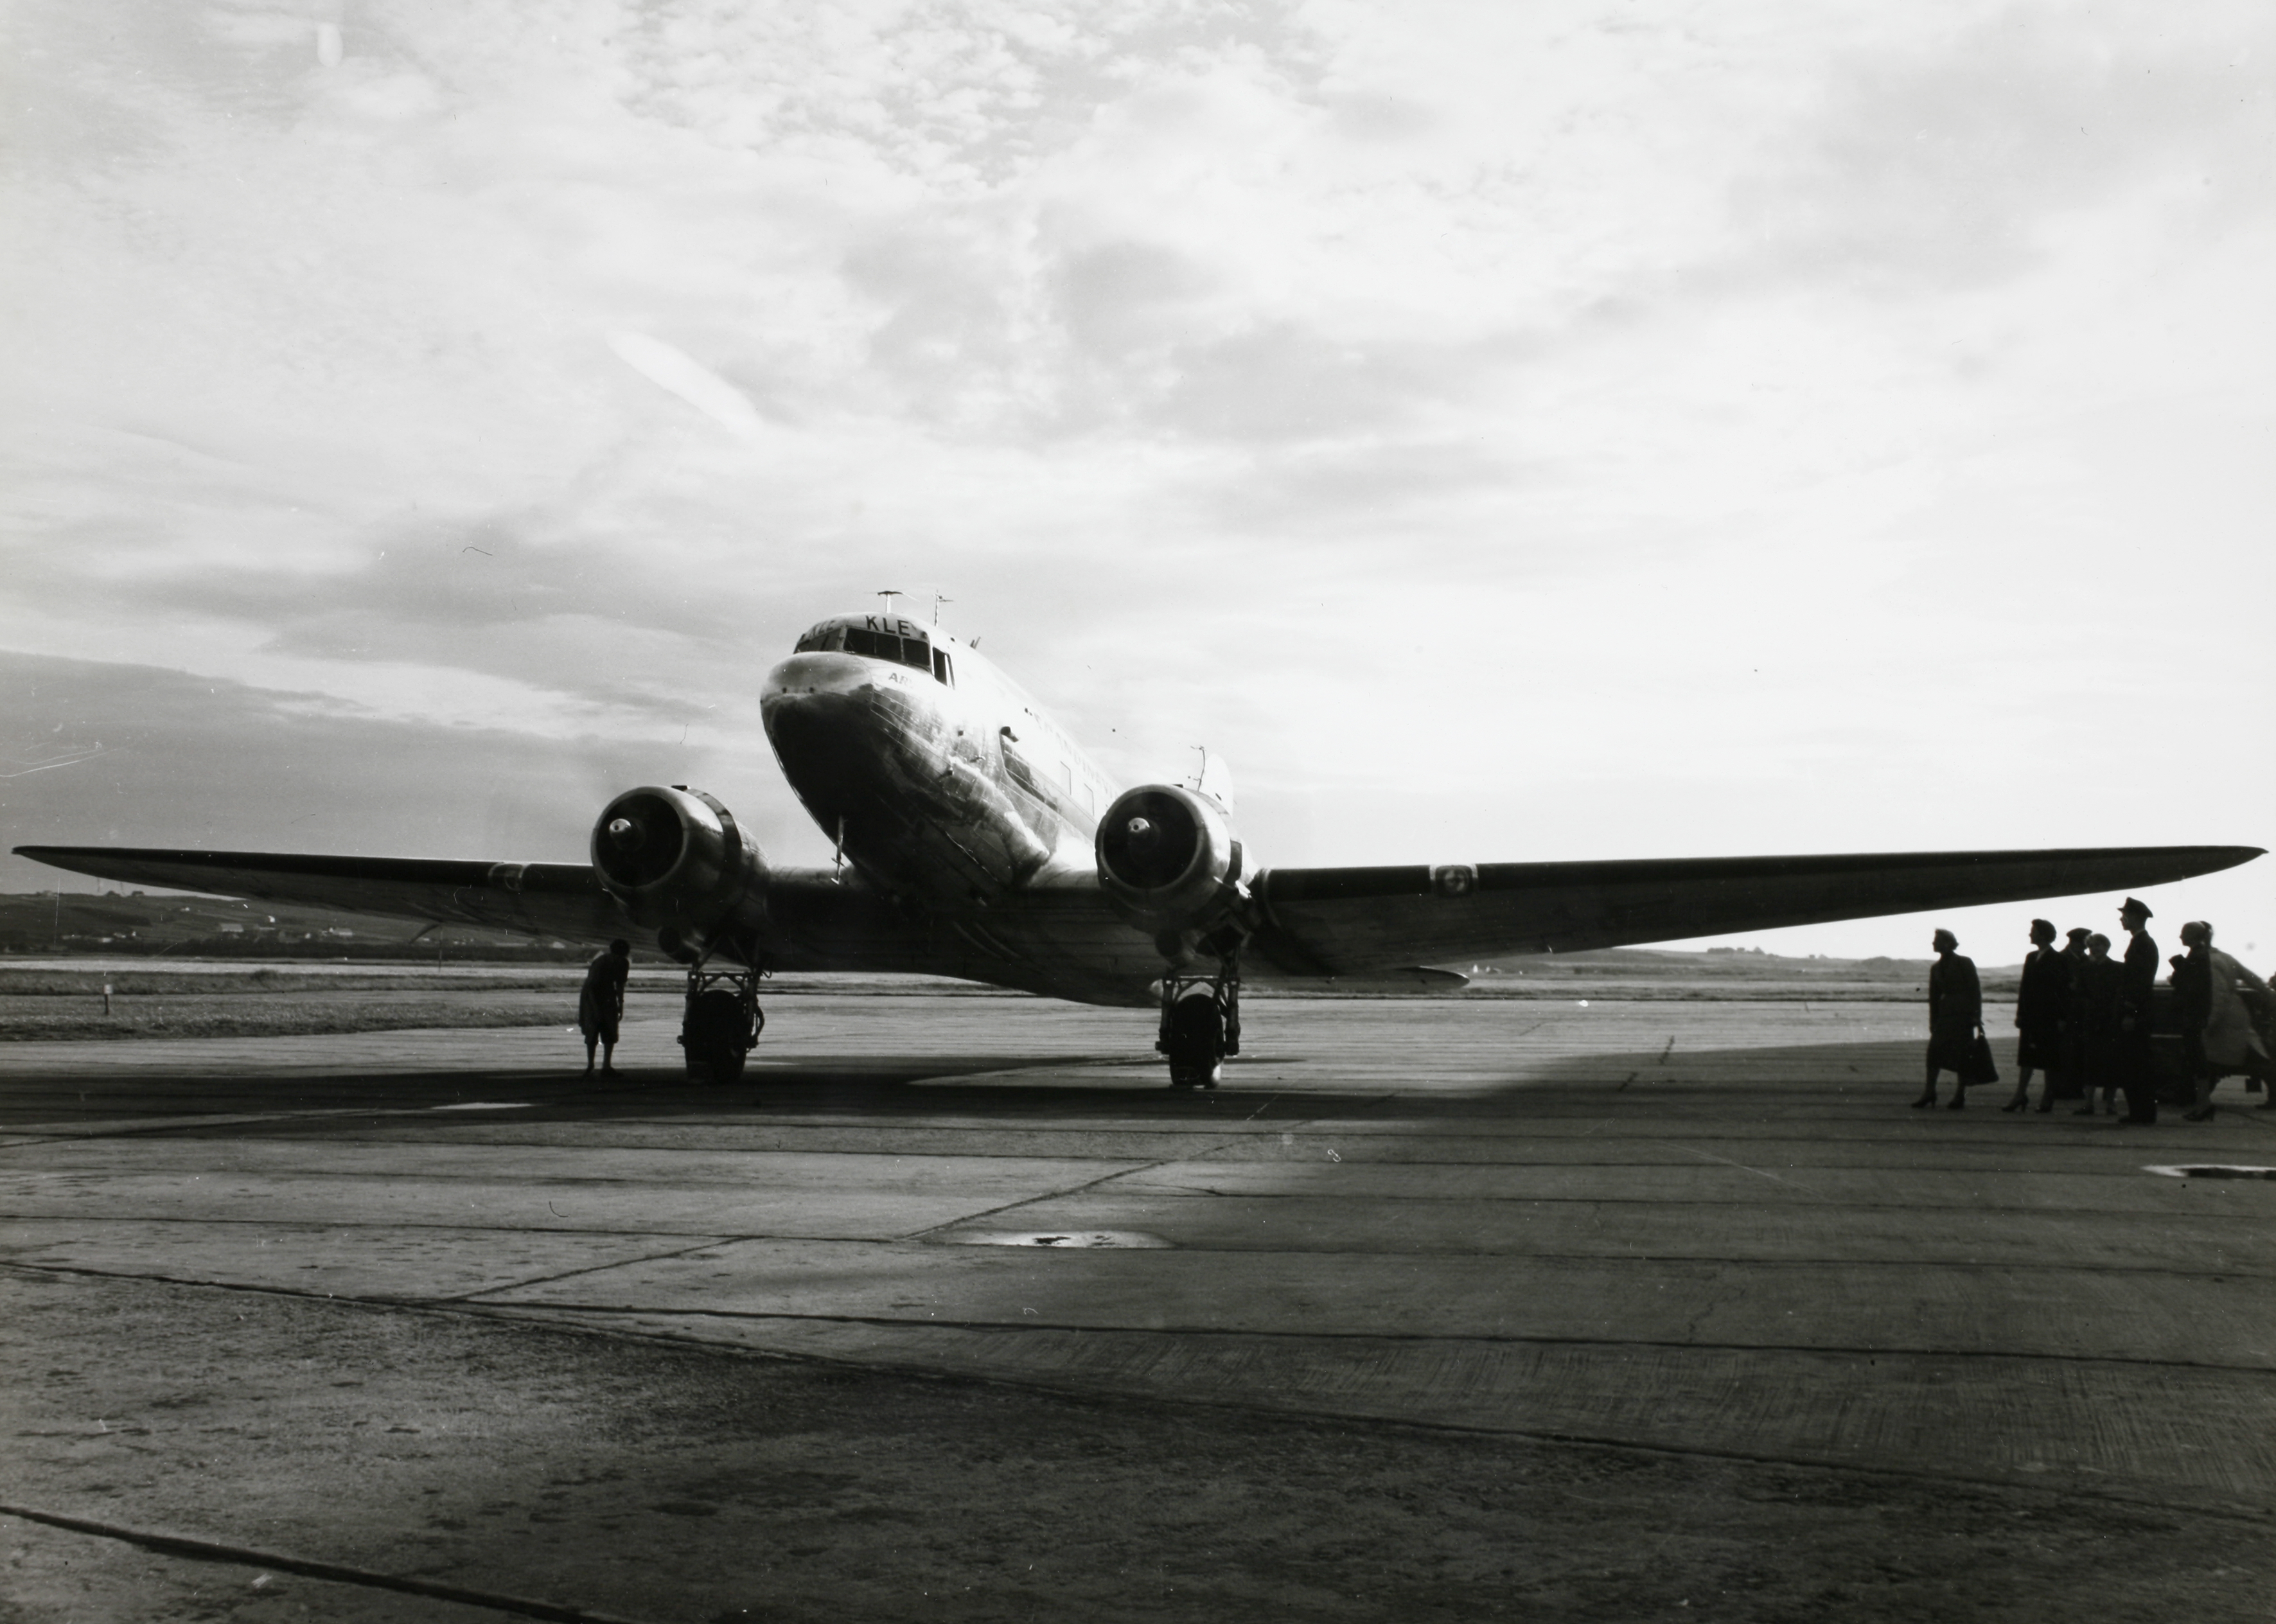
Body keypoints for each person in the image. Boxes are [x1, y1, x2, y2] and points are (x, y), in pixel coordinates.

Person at [2179, 921, 2273, 1121]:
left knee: (2208, 1062)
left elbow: (2218, 995)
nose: (2180, 937)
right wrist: (2270, 996)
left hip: (2221, 1019)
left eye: (2184, 933)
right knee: (2254, 1058)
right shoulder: (2224, 958)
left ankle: (2202, 1104)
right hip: (2236, 1015)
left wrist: (2210, 1023)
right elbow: (2253, 979)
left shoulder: (2209, 962)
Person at [2004, 919, 2070, 1113]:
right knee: (2026, 1057)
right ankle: (2020, 1095)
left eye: (2033, 931)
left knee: (2049, 1059)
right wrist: (2020, 1014)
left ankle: (2047, 1096)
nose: (2030, 934)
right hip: (2031, 1016)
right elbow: (2025, 988)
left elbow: (2063, 991)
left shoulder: (2059, 960)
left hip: (2049, 1017)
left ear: (2043, 934)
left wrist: (2062, 1018)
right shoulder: (2031, 957)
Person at [1914, 928, 1981, 1109]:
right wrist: (1932, 1021)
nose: (1933, 943)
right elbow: (1934, 997)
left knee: (1962, 1056)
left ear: (1948, 943)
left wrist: (1976, 1016)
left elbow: (1975, 990)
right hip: (1944, 1016)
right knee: (1934, 1053)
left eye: (1937, 940)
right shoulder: (1935, 968)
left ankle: (1960, 1095)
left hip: (1963, 1015)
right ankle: (1929, 1092)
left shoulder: (1964, 962)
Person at [2113, 898, 2160, 1125]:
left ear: (2134, 917)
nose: (2121, 918)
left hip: (2137, 1013)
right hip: (2139, 1012)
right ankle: (2141, 1112)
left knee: (2136, 1065)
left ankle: (2141, 1113)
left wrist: (2130, 1012)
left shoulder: (2142, 944)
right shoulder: (2141, 942)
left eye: (2125, 915)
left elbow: (2139, 982)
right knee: (2136, 1064)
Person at [2073, 933, 2123, 1115]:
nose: (2095, 948)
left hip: (2111, 1021)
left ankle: (2111, 1103)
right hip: (2091, 1020)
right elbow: (2080, 994)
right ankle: (2089, 1103)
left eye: (2099, 945)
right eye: (2092, 945)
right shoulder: (2085, 969)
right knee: (2090, 1064)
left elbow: (2120, 995)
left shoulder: (2118, 968)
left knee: (2111, 1064)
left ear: (2107, 947)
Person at [579, 939, 632, 1076]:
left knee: (595, 1031)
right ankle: (606, 1066)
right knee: (607, 1030)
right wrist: (620, 1005)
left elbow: (592, 985)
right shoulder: (622, 962)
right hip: (600, 996)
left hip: (594, 995)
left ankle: (591, 1065)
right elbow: (619, 985)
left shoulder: (602, 960)